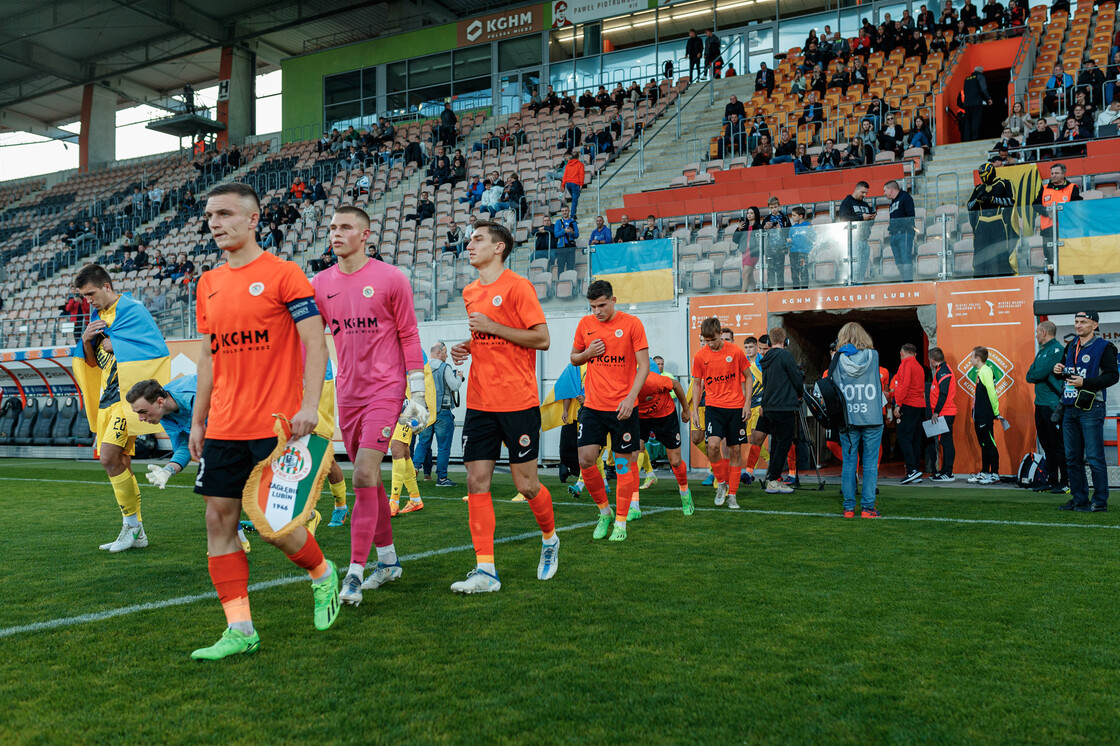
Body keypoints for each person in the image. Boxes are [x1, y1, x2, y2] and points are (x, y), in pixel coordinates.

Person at [187, 183, 337, 660]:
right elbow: (209, 359)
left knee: (276, 525)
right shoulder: (206, 283)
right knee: (219, 520)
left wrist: (310, 406)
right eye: (211, 214)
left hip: (277, 426)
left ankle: (321, 572)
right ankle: (240, 629)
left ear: (253, 220)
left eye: (226, 213)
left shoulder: (284, 274)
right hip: (225, 426)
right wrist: (198, 420)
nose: (215, 222)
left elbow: (315, 343)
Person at [311, 204, 424, 605]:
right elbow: (311, 338)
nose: (336, 234)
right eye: (332, 228)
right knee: (370, 480)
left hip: (385, 390)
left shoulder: (391, 278)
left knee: (361, 474)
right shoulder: (320, 283)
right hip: (348, 393)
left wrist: (418, 391)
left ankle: (355, 572)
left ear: (366, 234)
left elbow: (409, 336)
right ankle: (389, 561)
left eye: (345, 227)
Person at [449, 221, 557, 592]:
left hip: (517, 401)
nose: (470, 244)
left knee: (526, 485)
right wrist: (471, 344)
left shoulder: (518, 286)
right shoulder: (469, 291)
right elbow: (489, 335)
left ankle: (549, 538)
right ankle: (485, 571)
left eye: (478, 239)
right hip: (480, 401)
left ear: (499, 248)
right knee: (476, 480)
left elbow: (541, 339)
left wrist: (492, 328)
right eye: (469, 239)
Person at [72, 264, 169, 554]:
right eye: (83, 296)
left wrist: (117, 344)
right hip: (106, 397)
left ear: (107, 287)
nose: (88, 300)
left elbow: (155, 348)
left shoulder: (132, 310)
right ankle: (136, 531)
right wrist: (88, 339)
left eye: (90, 293)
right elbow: (90, 361)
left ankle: (131, 526)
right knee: (121, 463)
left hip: (126, 400)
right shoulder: (96, 317)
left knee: (109, 458)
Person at [570, 280, 650, 542]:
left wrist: (630, 398)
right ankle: (604, 512)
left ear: (614, 300)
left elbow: (644, 366)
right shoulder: (585, 325)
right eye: (593, 306)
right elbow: (574, 357)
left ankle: (621, 522)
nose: (597, 311)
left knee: (625, 466)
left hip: (623, 407)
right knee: (585, 459)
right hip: (593, 405)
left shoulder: (632, 324)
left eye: (602, 305)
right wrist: (587, 353)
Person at [1053, 310, 1119, 512]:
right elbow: (1069, 375)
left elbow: (1112, 376)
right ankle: (1079, 498)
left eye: (1083, 322)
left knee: (1094, 456)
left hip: (1091, 406)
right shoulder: (1071, 345)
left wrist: (1086, 383)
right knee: (1072, 457)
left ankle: (1099, 501)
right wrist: (1059, 371)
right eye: (1076, 321)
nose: (1078, 325)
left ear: (1095, 325)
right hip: (1070, 405)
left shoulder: (1104, 347)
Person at [691, 317, 751, 509]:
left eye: (713, 340)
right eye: (707, 341)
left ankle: (732, 495)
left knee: (734, 450)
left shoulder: (735, 352)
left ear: (720, 334)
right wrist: (694, 410)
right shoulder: (700, 356)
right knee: (713, 447)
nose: (710, 344)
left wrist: (747, 403)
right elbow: (697, 384)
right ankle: (721, 483)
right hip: (713, 408)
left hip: (735, 407)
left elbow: (748, 377)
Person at [833, 322, 885, 517]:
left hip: (848, 418)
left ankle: (848, 508)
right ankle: (868, 508)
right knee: (870, 462)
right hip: (871, 415)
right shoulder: (873, 356)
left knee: (849, 462)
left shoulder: (836, 359)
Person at [634, 368, 693, 517]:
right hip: (640, 418)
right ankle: (633, 505)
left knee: (675, 461)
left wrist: (686, 409)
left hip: (664, 415)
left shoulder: (653, 380)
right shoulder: (620, 383)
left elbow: (677, 386)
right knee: (633, 455)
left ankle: (685, 493)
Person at [1025, 321, 1068, 494]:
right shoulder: (1042, 352)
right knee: (1047, 445)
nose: (1035, 335)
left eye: (1037, 332)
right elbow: (1030, 376)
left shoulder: (1057, 349)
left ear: (1044, 332)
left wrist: (1038, 374)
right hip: (1040, 404)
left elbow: (1039, 373)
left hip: (1052, 405)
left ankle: (1064, 482)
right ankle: (1051, 481)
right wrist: (1037, 373)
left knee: (1058, 445)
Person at [758, 327, 801, 494]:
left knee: (776, 443)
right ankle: (773, 480)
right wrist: (800, 393)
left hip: (769, 407)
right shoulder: (786, 356)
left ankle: (773, 479)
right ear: (786, 341)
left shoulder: (766, 358)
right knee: (783, 443)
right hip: (784, 407)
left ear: (769, 342)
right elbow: (796, 379)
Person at [413, 342, 462, 487]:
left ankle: (414, 469)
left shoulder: (423, 368)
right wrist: (458, 376)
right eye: (445, 352)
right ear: (439, 352)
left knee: (423, 443)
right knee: (443, 448)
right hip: (443, 412)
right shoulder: (445, 367)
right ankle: (441, 479)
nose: (447, 355)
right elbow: (455, 386)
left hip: (427, 412)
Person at [967, 162, 1016, 277]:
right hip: (982, 225)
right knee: (980, 254)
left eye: (984, 174)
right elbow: (969, 205)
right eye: (981, 175)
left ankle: (1004, 279)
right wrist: (977, 201)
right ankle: (980, 279)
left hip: (999, 222)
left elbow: (1011, 201)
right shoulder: (979, 188)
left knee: (1001, 253)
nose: (983, 177)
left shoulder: (1005, 184)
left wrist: (992, 199)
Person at [1033, 162, 1081, 270]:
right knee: (1049, 256)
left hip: (1067, 228)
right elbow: (1035, 204)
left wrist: (1060, 214)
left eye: (1057, 173)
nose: (1054, 175)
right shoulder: (1044, 188)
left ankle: (1078, 280)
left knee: (1073, 253)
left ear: (1063, 174)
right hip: (1048, 229)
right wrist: (1047, 212)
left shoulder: (1072, 187)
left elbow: (1075, 204)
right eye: (1052, 173)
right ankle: (1052, 282)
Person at [967, 347, 1003, 484]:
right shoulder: (981, 371)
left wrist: (995, 411)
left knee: (989, 443)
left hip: (985, 415)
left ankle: (994, 474)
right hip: (979, 415)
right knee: (983, 444)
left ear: (978, 358)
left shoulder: (986, 371)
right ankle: (984, 471)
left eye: (972, 357)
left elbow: (992, 392)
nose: (970, 360)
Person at [893, 343, 927, 484]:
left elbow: (904, 385)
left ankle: (912, 470)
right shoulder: (919, 366)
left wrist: (898, 404)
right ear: (915, 353)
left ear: (902, 353)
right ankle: (915, 471)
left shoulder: (905, 364)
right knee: (915, 439)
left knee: (903, 437)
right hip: (920, 405)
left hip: (909, 404)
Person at [924, 347, 958, 482]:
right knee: (944, 442)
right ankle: (944, 471)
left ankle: (948, 473)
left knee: (947, 442)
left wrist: (936, 412)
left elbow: (943, 393)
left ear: (932, 360)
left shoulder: (943, 371)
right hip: (943, 412)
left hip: (945, 412)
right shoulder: (941, 370)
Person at [837, 181, 876, 283]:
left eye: (866, 193)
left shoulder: (865, 204)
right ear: (856, 189)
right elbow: (843, 218)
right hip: (853, 239)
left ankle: (858, 288)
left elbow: (869, 224)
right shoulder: (847, 202)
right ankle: (851, 288)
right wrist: (861, 217)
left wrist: (871, 218)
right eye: (863, 192)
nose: (864, 195)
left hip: (864, 239)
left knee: (862, 269)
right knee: (854, 268)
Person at [884, 180, 917, 282]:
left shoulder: (905, 197)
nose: (884, 193)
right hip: (894, 235)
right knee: (899, 262)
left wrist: (903, 228)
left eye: (885, 191)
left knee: (905, 259)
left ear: (891, 189)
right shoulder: (892, 203)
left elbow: (910, 215)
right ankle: (905, 281)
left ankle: (908, 284)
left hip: (904, 233)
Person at [961, 66, 992, 141]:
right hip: (976, 103)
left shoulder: (967, 79)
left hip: (967, 104)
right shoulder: (980, 77)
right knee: (976, 121)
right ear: (981, 71)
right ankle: (975, 138)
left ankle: (967, 139)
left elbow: (965, 91)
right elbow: (983, 89)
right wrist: (988, 98)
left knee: (967, 122)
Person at [787, 207, 812, 289]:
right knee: (794, 272)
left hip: (803, 252)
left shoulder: (808, 226)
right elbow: (788, 241)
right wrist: (789, 241)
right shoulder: (792, 228)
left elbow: (813, 238)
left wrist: (809, 250)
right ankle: (796, 290)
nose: (792, 217)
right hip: (793, 252)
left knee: (804, 271)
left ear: (800, 216)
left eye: (794, 215)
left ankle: (805, 290)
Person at [553, 205, 579, 274]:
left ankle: (570, 282)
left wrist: (572, 232)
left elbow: (577, 235)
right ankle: (560, 282)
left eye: (566, 210)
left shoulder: (573, 222)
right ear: (561, 212)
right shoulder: (558, 222)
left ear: (569, 211)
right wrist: (564, 231)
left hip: (571, 247)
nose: (564, 212)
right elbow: (556, 234)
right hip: (561, 247)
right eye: (563, 211)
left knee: (571, 266)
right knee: (560, 267)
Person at [562, 152, 585, 218]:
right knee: (574, 200)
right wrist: (581, 184)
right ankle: (572, 216)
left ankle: (573, 214)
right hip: (575, 183)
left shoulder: (568, 165)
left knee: (574, 199)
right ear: (578, 157)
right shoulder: (580, 164)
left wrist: (563, 185)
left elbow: (565, 176)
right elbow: (581, 175)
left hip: (568, 184)